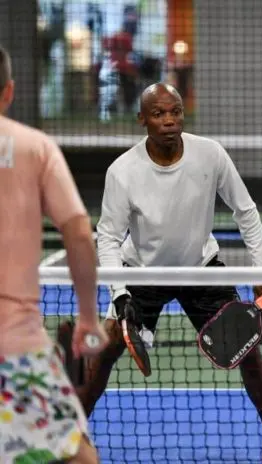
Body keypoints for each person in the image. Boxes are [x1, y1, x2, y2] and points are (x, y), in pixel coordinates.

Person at [80, 83, 262, 464]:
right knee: (104, 350)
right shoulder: (122, 171)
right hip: (142, 273)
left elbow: (247, 213)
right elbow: (107, 237)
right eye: (158, 114)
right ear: (142, 119)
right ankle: (72, 436)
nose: (169, 120)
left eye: (175, 112)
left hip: (201, 267)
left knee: (248, 349)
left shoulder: (210, 154)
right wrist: (119, 294)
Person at [0, 45, 108, 464]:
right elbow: (79, 234)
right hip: (17, 348)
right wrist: (87, 317)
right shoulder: (35, 148)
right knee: (79, 458)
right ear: (9, 91)